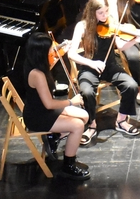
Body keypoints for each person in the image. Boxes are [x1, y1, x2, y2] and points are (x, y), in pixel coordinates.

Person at [67, 0, 140, 146]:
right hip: (89, 68)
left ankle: (121, 121)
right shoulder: (82, 26)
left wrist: (135, 39)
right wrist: (91, 63)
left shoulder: (112, 23)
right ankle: (92, 125)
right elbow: (71, 53)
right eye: (101, 13)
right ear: (92, 12)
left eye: (107, 11)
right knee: (87, 92)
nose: (105, 16)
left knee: (132, 85)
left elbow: (121, 46)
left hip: (110, 66)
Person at [22, 32, 90, 180]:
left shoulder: (34, 62)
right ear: (41, 53)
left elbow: (50, 64)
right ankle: (68, 166)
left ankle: (54, 136)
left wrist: (62, 50)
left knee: (84, 116)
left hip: (42, 109)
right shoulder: (37, 74)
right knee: (78, 126)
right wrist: (72, 101)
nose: (53, 52)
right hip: (38, 115)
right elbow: (49, 103)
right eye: (51, 50)